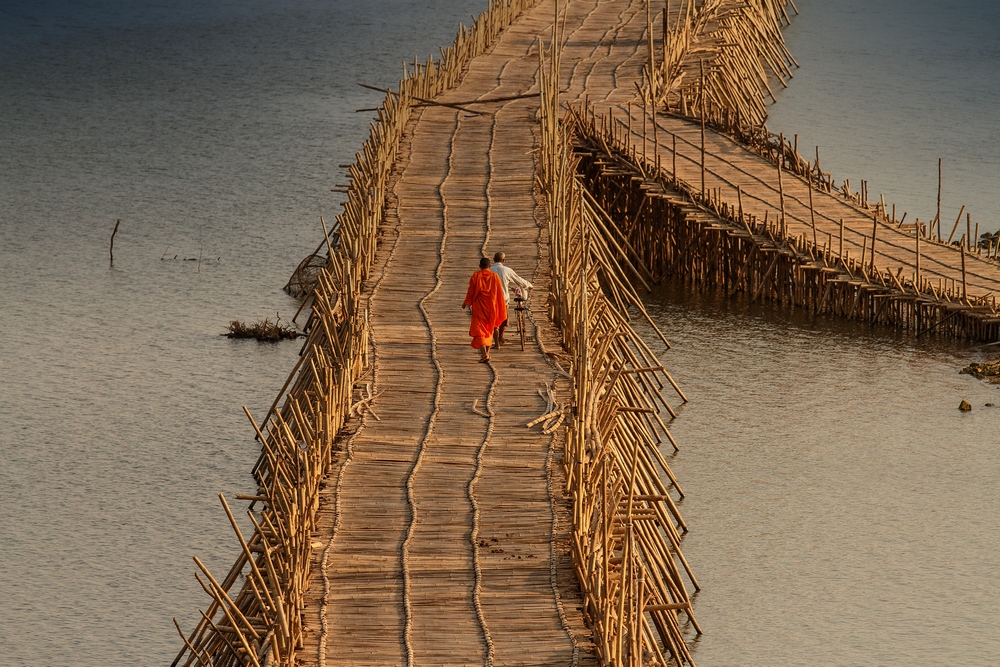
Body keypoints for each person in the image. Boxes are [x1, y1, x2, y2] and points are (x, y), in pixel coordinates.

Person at [463, 257, 506, 363]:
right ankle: (487, 353)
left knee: (479, 330)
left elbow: (471, 291)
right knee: (489, 328)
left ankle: (484, 354)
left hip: (479, 307)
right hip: (492, 306)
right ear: (490, 266)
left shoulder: (476, 276)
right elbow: (499, 293)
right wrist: (501, 306)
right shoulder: (495, 276)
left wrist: (466, 302)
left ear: (479, 266)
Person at [489, 251, 533, 347]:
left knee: (494, 319)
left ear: (493, 260)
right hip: (503, 299)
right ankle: (500, 337)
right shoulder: (506, 270)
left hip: (491, 300)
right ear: (503, 260)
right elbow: (519, 280)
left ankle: (496, 341)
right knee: (504, 319)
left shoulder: (489, 271)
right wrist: (528, 285)